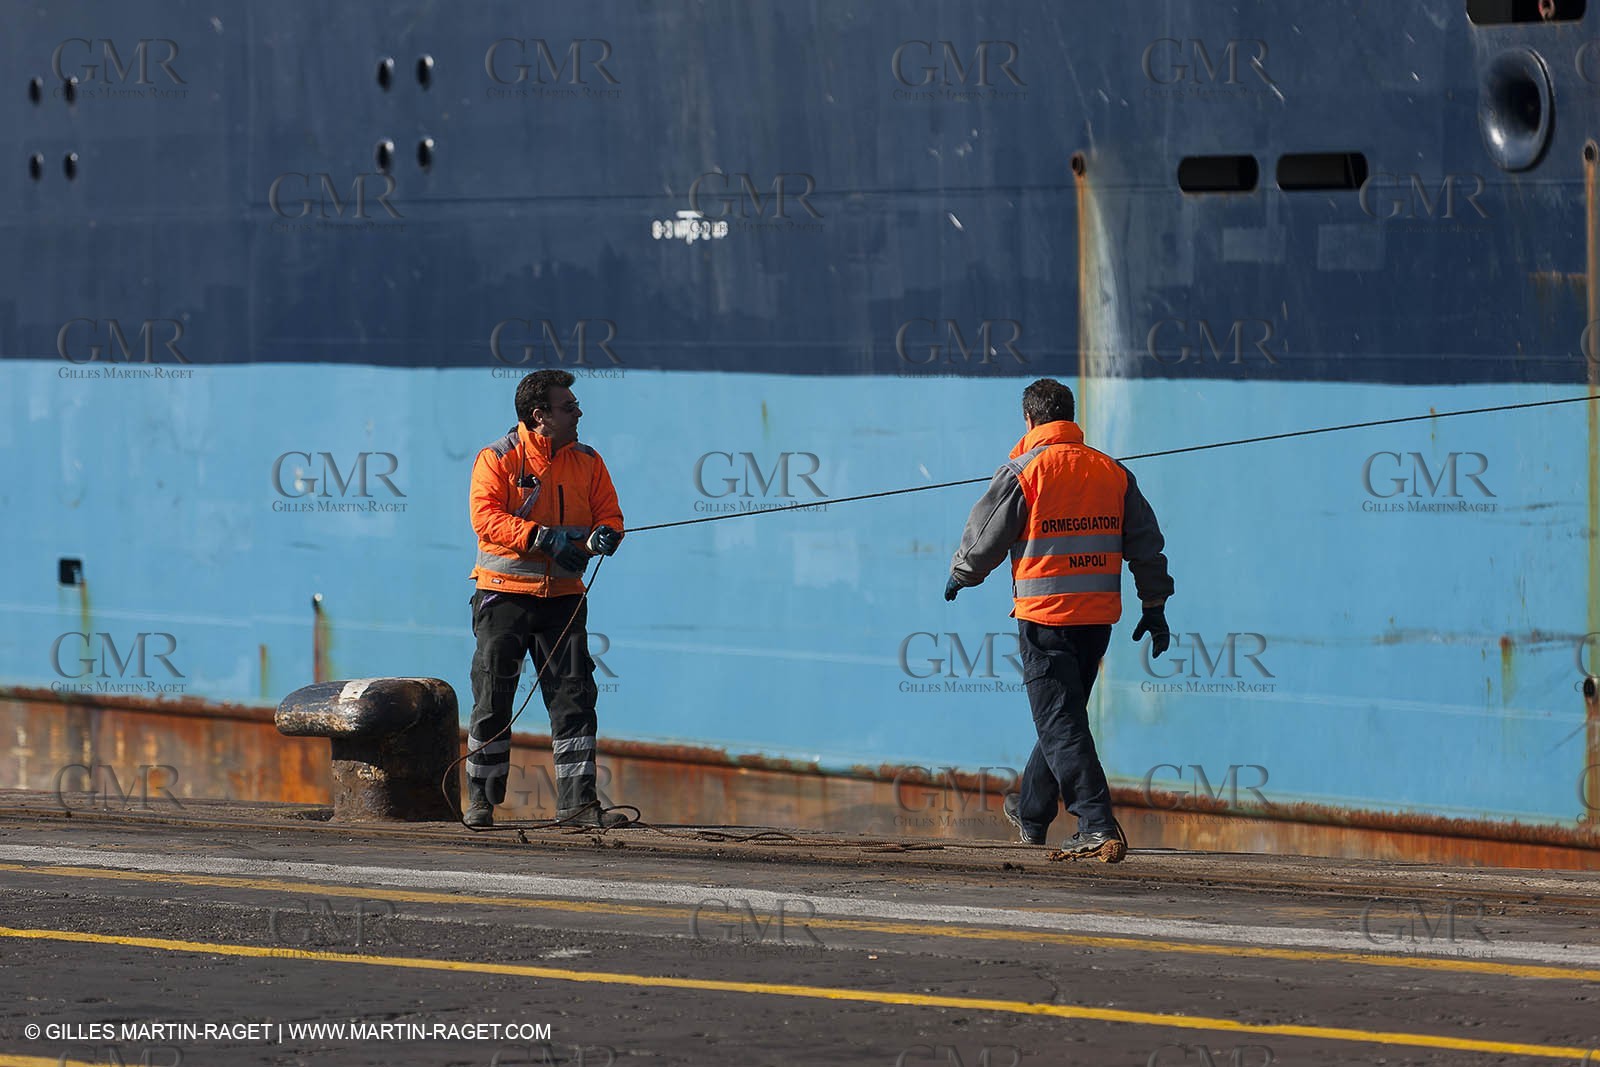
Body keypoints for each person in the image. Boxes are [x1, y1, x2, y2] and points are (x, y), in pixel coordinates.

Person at [945, 378, 1173, 861]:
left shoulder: (1024, 471)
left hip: (1046, 616)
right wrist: (1154, 606)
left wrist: (961, 574)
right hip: (1097, 619)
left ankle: (1095, 821)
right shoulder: (1112, 472)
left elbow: (986, 534)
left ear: (1029, 420)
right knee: (1063, 715)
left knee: (1059, 719)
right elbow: (1147, 545)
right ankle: (1032, 810)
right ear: (1070, 417)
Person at [465, 369, 627, 828]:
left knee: (574, 697)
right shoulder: (497, 459)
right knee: (493, 697)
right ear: (541, 416)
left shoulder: (588, 461)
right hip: (503, 598)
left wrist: (606, 536)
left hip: (563, 600)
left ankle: (577, 805)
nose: (578, 413)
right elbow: (487, 520)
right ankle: (481, 801)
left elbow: (610, 514)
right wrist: (542, 537)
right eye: (568, 407)